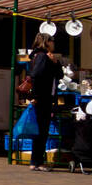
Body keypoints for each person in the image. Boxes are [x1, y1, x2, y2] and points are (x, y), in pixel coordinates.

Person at [27, 32, 63, 171]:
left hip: (41, 97)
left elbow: (58, 74)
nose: (54, 43)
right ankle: (38, 161)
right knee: (42, 130)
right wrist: (36, 96)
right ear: (47, 42)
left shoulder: (38, 56)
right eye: (52, 41)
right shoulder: (42, 56)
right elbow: (37, 75)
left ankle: (35, 161)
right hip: (43, 98)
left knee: (40, 130)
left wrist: (55, 62)